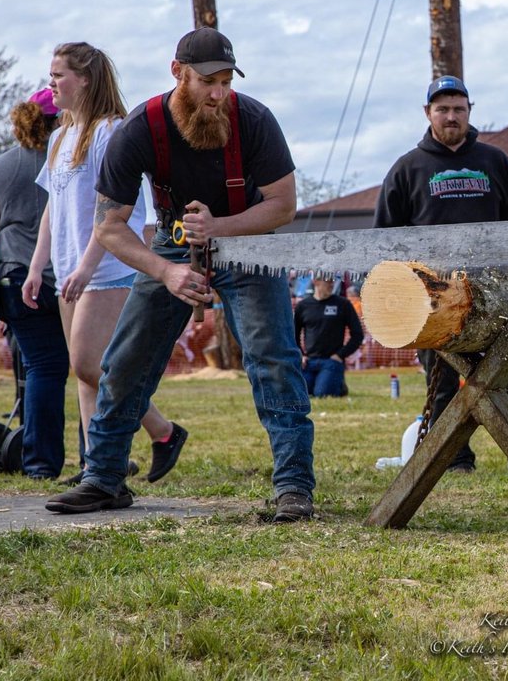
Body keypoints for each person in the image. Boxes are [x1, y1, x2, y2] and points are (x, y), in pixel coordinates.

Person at [46, 27, 315, 520]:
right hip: (171, 246)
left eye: (226, 81)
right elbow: (108, 226)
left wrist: (219, 227)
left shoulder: (253, 119)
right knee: (125, 360)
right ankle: (104, 478)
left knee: (273, 360)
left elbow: (282, 206)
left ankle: (294, 487)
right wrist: (166, 274)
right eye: (207, 81)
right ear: (178, 73)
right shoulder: (141, 129)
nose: (218, 94)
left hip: (247, 241)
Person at [24, 43, 186, 486]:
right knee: (85, 372)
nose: (51, 83)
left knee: (91, 363)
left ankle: (163, 431)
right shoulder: (59, 136)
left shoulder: (111, 132)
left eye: (59, 74)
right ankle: (96, 464)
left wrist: (86, 267)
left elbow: (111, 213)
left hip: (108, 269)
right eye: (51, 74)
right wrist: (39, 267)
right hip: (69, 269)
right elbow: (52, 211)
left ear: (86, 79)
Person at [374, 75, 508, 473]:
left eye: (459, 109)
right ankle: (455, 460)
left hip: (499, 295)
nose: (451, 117)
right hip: (435, 300)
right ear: (427, 113)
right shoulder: (407, 169)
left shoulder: (495, 161)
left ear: (469, 112)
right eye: (442, 109)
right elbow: (385, 241)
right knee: (443, 382)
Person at [0, 89, 69, 479]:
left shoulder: (1, 164)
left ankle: (40, 464)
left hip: (11, 273)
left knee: (41, 368)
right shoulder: (68, 160)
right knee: (90, 366)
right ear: (59, 120)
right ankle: (101, 459)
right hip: (63, 274)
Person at [294, 274, 363, 397]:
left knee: (322, 394)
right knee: (302, 394)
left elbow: (357, 335)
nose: (332, 284)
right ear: (315, 281)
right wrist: (300, 355)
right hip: (309, 361)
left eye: (332, 281)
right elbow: (293, 335)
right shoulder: (303, 306)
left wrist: (340, 355)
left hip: (331, 360)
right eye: (327, 281)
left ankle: (339, 385)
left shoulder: (343, 304)